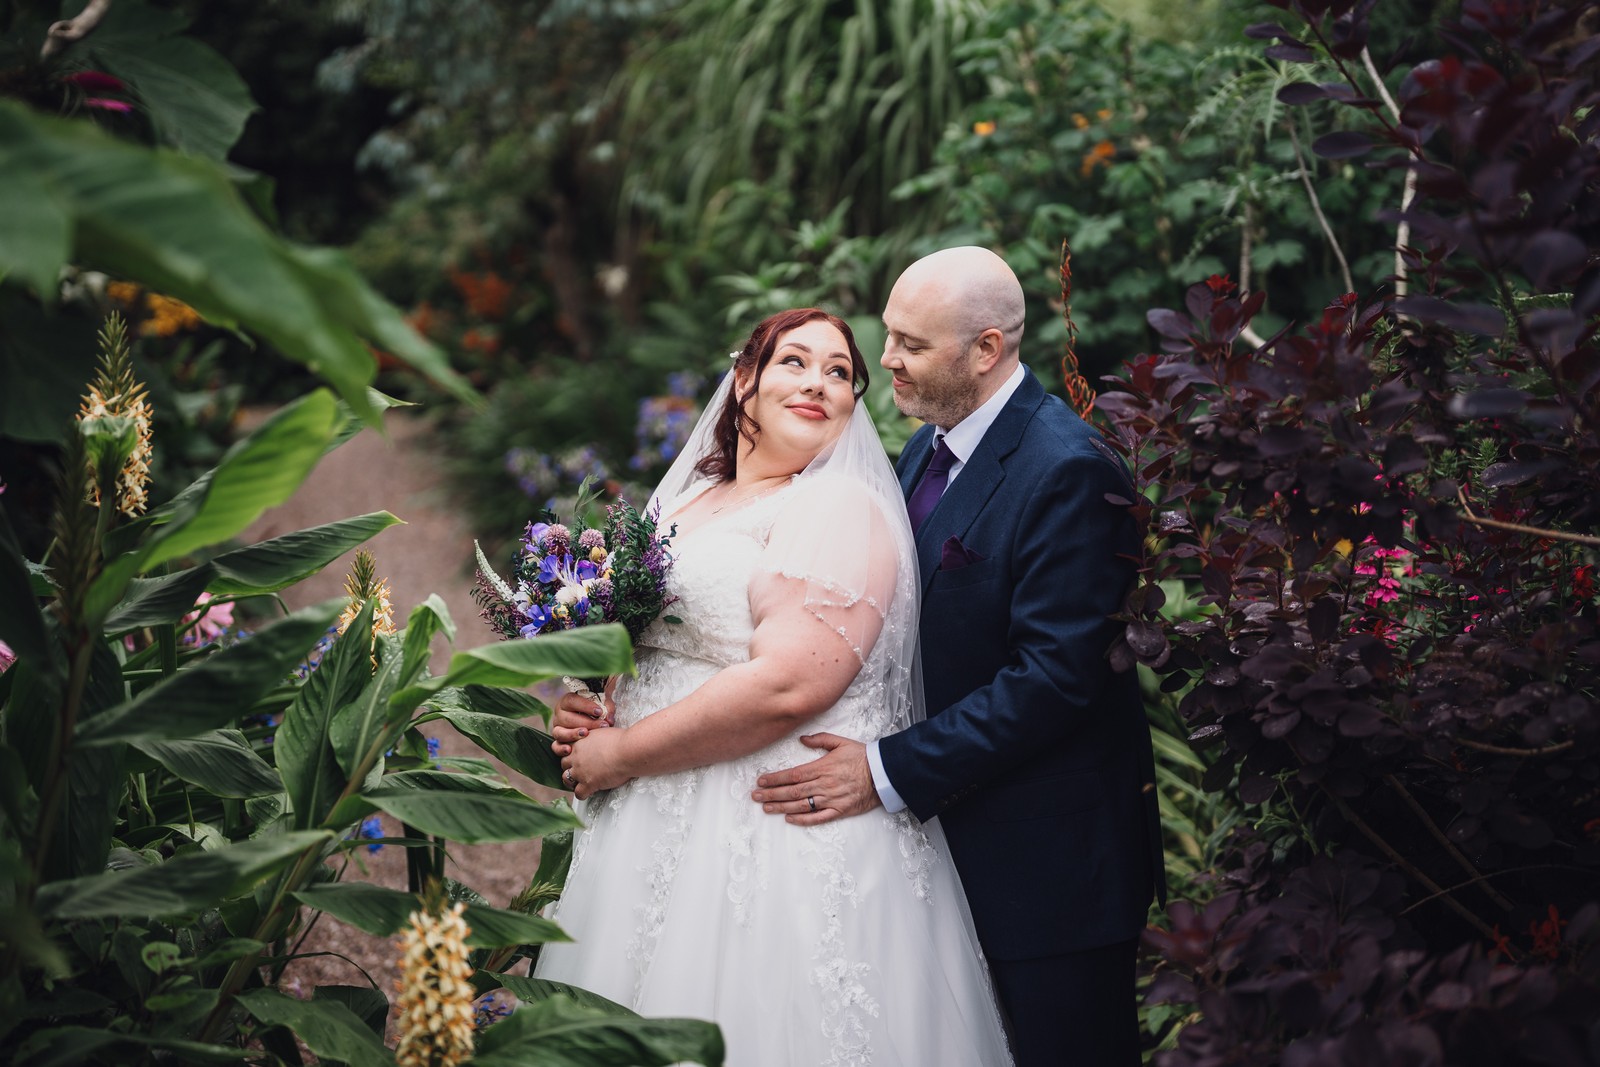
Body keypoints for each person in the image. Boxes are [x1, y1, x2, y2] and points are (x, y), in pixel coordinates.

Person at [536, 307, 1014, 1066]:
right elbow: (648, 638)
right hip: (653, 820)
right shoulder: (688, 500)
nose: (818, 382)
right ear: (745, 381)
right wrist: (594, 700)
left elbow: (788, 685)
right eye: (795, 360)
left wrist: (622, 753)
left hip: (769, 832)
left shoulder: (835, 506)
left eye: (839, 372)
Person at [747, 248, 1165, 1066]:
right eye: (890, 337)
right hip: (938, 853)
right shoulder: (921, 451)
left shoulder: (1067, 470)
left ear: (987, 347)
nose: (888, 361)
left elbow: (1053, 678)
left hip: (1048, 875)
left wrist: (883, 767)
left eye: (911, 344)